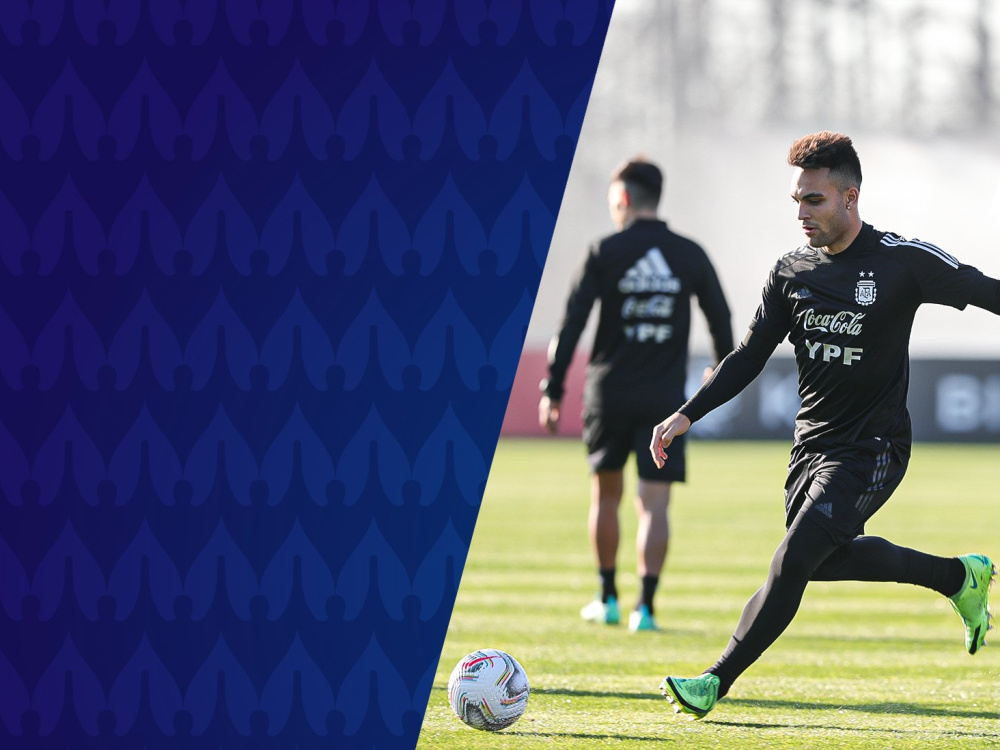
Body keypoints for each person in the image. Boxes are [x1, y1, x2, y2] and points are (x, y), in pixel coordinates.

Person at [650, 131, 997, 718]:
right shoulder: (791, 271)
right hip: (810, 447)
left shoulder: (902, 261)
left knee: (792, 561)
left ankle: (714, 680)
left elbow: (986, 290)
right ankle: (958, 577)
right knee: (825, 560)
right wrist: (688, 413)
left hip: (874, 446)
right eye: (797, 201)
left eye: (814, 200)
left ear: (849, 197)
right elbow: (749, 355)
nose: (801, 213)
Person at [539, 157, 734, 632]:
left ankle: (606, 598)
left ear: (623, 198)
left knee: (606, 497)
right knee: (655, 503)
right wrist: (720, 370)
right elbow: (721, 318)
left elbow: (571, 325)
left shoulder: (604, 251)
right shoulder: (688, 253)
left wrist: (554, 388)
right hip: (665, 400)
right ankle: (644, 609)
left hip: (608, 394)